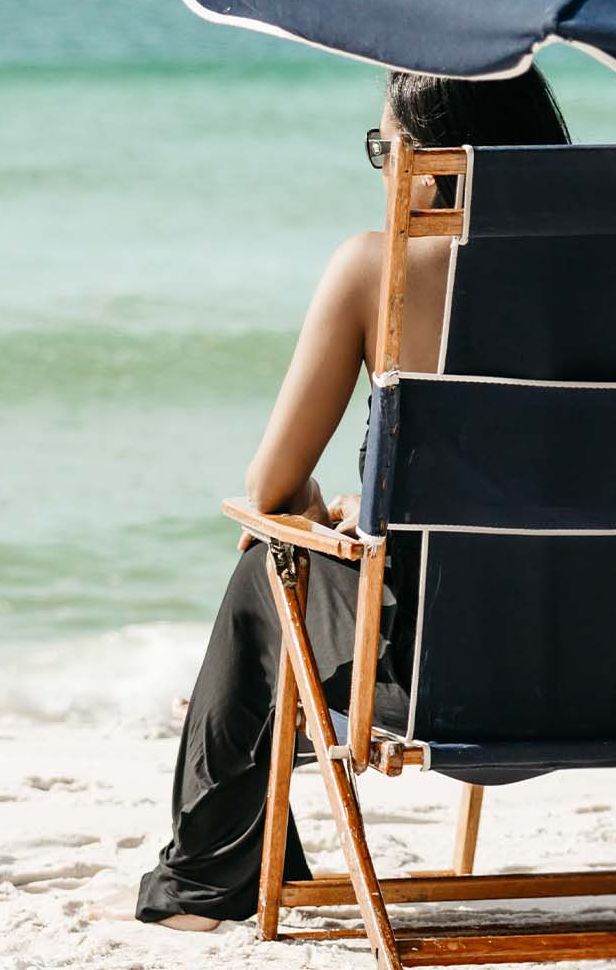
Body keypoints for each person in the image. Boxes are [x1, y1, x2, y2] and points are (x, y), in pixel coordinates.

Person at [116, 69, 570, 931]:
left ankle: (201, 889)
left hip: (442, 687)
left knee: (268, 573)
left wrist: (322, 513)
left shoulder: (379, 268)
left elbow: (271, 488)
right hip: (610, 677)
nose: (384, 168)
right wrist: (411, 501)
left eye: (386, 147)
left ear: (431, 157)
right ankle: (247, 867)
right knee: (296, 576)